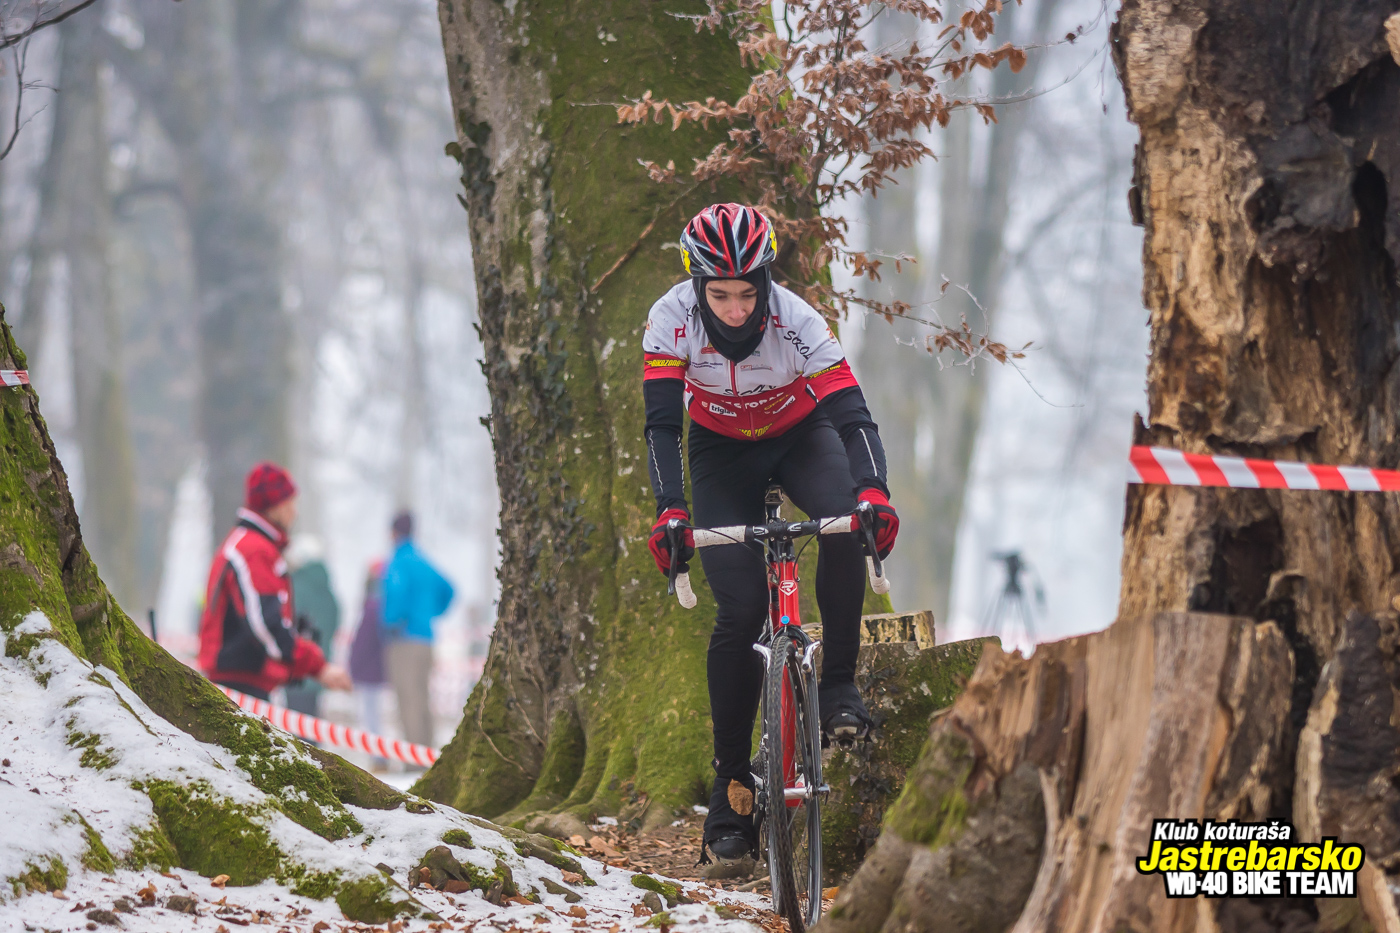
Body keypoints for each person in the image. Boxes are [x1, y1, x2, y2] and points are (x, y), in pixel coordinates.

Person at [641, 204, 899, 862]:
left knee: (844, 522)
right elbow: (663, 426)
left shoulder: (800, 320)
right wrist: (671, 508)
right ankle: (731, 784)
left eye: (747, 293)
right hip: (721, 451)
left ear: (767, 282)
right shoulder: (670, 319)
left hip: (799, 435)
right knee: (742, 608)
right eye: (718, 294)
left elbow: (853, 415)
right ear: (696, 286)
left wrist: (874, 493)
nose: (733, 308)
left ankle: (838, 679)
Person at [199, 462, 352, 701]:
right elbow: (266, 625)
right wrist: (317, 666)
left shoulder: (253, 545)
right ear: (277, 506)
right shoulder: (254, 550)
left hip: (245, 680)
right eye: (292, 503)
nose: (295, 512)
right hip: (239, 683)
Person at [381, 511, 454, 752]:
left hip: (404, 639)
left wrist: (394, 622)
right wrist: (431, 613)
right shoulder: (423, 561)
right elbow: (449, 589)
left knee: (407, 699)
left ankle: (412, 758)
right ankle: (427, 752)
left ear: (393, 532)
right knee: (422, 698)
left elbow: (396, 594)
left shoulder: (399, 561)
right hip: (426, 639)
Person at [284, 535, 341, 722]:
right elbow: (334, 623)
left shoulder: (295, 586)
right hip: (319, 665)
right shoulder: (326, 589)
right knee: (311, 720)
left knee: (296, 724)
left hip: (297, 665)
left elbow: (286, 623)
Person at [349, 558, 389, 770]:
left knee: (371, 716)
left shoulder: (373, 605)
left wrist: (353, 666)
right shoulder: (382, 605)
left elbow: (363, 641)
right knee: (374, 715)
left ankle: (379, 757)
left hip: (368, 671)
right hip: (376, 669)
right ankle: (379, 756)